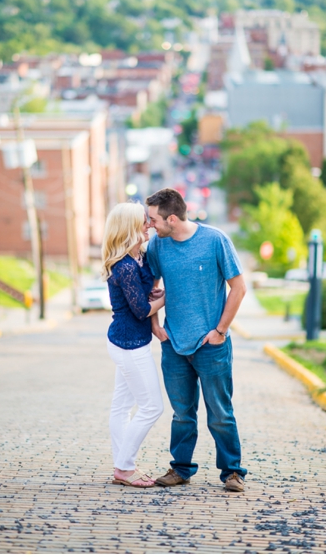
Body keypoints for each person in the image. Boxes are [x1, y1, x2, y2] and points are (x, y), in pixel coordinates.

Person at [144, 188, 248, 493]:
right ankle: (181, 469)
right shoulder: (157, 246)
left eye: (153, 219)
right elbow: (152, 285)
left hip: (211, 346)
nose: (149, 225)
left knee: (219, 412)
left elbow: (239, 288)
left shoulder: (215, 240)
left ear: (172, 218)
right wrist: (154, 324)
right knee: (182, 413)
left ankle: (232, 471)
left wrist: (221, 331)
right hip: (173, 344)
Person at [102, 203, 166, 488]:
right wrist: (169, 295)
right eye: (143, 222)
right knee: (152, 407)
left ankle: (122, 465)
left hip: (128, 341)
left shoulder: (136, 258)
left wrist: (153, 292)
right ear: (130, 227)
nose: (149, 225)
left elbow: (141, 296)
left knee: (122, 406)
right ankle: (124, 467)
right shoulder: (125, 266)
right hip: (129, 344)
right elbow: (141, 311)